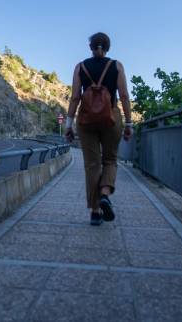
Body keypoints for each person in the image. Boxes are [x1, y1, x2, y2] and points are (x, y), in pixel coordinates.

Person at [65, 32, 133, 226]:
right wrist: (128, 123)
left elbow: (75, 97)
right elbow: (125, 96)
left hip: (86, 121)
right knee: (110, 159)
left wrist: (68, 125)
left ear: (91, 47)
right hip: (111, 118)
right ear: (108, 47)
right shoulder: (116, 66)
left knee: (92, 165)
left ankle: (95, 212)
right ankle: (104, 194)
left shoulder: (80, 67)